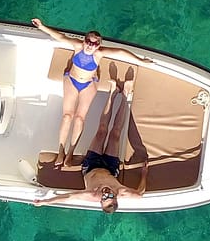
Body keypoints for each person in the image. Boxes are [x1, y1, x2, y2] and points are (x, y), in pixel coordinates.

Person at [30, 17, 150, 165]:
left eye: (95, 43)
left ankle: (71, 152)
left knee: (80, 118)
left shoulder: (98, 54)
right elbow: (60, 37)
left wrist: (139, 61)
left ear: (99, 45)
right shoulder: (78, 46)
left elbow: (120, 52)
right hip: (72, 81)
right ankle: (61, 151)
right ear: (84, 40)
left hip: (88, 84)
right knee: (67, 116)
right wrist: (42, 26)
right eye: (89, 41)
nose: (90, 45)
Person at [33, 72, 146, 213]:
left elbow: (68, 197)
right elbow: (140, 193)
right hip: (110, 168)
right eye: (110, 195)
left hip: (91, 165)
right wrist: (144, 173)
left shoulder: (91, 195)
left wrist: (45, 202)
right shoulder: (122, 191)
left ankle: (112, 92)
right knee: (115, 133)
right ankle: (124, 94)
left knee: (101, 132)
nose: (105, 193)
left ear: (100, 201)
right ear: (116, 196)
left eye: (103, 198)